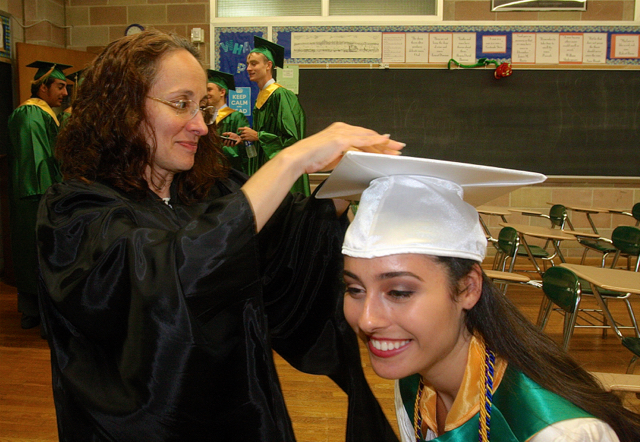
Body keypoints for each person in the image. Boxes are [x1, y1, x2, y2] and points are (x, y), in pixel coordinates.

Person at [36, 30, 404, 441]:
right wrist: (290, 160)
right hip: (147, 426)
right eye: (181, 105)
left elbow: (286, 244)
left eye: (202, 107)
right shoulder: (75, 211)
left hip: (243, 410)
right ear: (122, 107)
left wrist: (351, 179)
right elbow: (174, 272)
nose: (200, 126)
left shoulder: (210, 188)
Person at [318, 152, 640, 442]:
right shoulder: (414, 379)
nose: (367, 319)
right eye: (355, 290)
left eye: (399, 292)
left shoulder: (558, 433)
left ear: (468, 288)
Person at [7, 60, 70, 329]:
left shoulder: (43, 113)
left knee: (35, 253)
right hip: (36, 197)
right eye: (59, 86)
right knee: (40, 252)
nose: (65, 93)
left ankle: (35, 310)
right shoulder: (31, 114)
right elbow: (38, 163)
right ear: (42, 87)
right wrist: (52, 195)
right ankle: (40, 313)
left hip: (37, 195)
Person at [238, 36, 309, 195]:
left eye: (254, 63)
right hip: (266, 169)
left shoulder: (281, 95)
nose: (248, 68)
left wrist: (258, 136)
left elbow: (292, 138)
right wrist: (242, 139)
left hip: (281, 172)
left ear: (268, 65)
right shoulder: (262, 96)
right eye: (248, 64)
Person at [206, 69, 250, 173]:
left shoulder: (236, 117)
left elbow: (245, 151)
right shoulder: (203, 118)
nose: (205, 93)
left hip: (228, 173)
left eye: (209, 90)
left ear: (222, 92)